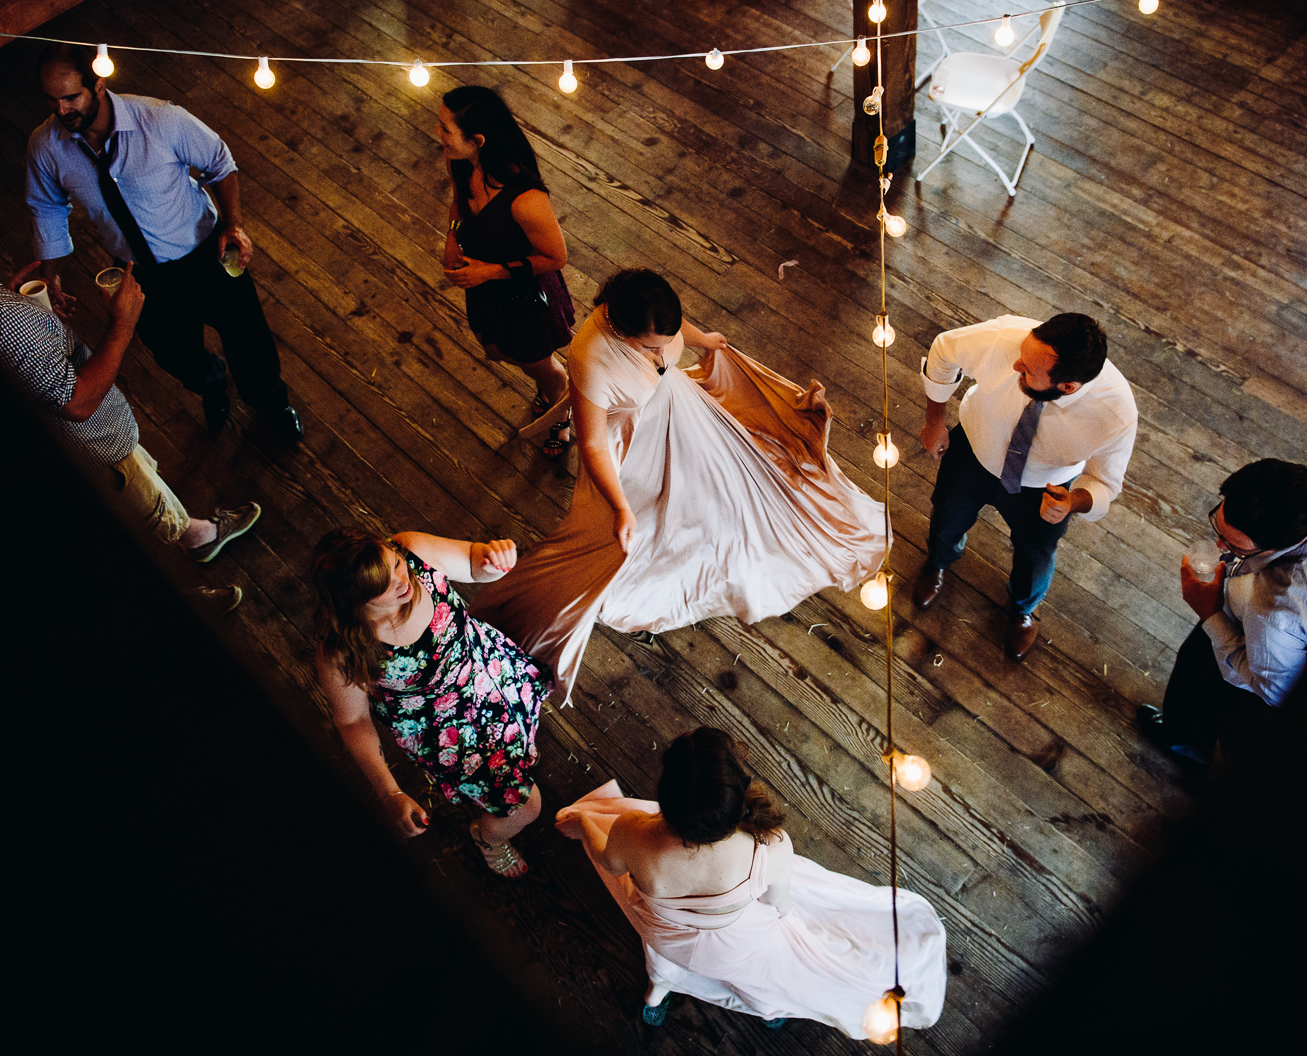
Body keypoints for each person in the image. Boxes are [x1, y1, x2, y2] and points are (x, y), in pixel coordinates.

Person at [470, 269, 885, 702]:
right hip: (639, 442)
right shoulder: (590, 357)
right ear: (620, 329)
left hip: (683, 411)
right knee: (647, 529)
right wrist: (619, 506)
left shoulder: (647, 305)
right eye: (649, 347)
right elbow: (592, 442)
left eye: (662, 342)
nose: (659, 354)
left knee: (721, 486)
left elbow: (672, 328)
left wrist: (704, 339)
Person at [0, 180, 260, 599]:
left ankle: (200, 537)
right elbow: (78, 402)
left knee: (150, 496)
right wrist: (123, 322)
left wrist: (21, 312)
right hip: (94, 448)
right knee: (142, 524)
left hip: (59, 452)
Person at [556, 727, 949, 1037]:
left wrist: (585, 822)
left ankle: (659, 986)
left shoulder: (632, 833)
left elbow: (609, 861)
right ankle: (769, 1010)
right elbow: (779, 905)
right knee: (762, 966)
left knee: (660, 942)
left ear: (667, 796)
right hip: (736, 949)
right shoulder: (770, 847)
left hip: (665, 935)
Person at [23, 43, 302, 443]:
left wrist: (234, 225)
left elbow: (220, 162)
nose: (61, 110)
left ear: (99, 85)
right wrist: (51, 276)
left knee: (249, 341)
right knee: (174, 354)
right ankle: (211, 383)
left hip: (204, 251)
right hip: (136, 273)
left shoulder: (160, 118)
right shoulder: (45, 146)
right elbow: (46, 206)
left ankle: (270, 403)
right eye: (51, 100)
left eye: (71, 97)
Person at [310, 527, 549, 877]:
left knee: (523, 731)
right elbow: (352, 721)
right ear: (355, 605)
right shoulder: (341, 650)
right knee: (528, 808)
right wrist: (389, 793)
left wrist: (494, 559)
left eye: (394, 564)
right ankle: (488, 839)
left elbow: (473, 562)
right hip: (447, 729)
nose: (401, 580)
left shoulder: (414, 551)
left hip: (489, 671)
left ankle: (519, 753)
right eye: (384, 588)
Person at [1138, 460, 1307, 765]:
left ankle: (1187, 750)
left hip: (1257, 661)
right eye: (1218, 524)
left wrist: (1210, 614)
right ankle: (1183, 739)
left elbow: (1274, 690)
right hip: (1268, 625)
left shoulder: (1274, 613)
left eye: (1235, 547)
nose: (1219, 546)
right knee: (1193, 664)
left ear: (1276, 547)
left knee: (1216, 699)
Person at [914, 312, 1138, 660]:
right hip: (973, 452)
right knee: (946, 515)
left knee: (1036, 556)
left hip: (1045, 487)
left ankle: (1023, 607)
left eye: (1029, 369)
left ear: (1067, 387)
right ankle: (938, 561)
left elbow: (1106, 483)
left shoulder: (1116, 413)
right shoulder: (1004, 335)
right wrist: (934, 421)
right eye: (1022, 353)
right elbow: (944, 350)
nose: (1016, 363)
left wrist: (1073, 501)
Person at [437, 85, 576, 456]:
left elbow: (556, 258)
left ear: (478, 139)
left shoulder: (526, 199)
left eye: (445, 129)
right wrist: (453, 235)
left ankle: (560, 410)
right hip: (486, 290)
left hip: (524, 297)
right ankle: (546, 385)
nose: (439, 136)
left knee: (540, 365)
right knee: (502, 352)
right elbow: (457, 205)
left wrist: (490, 272)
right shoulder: (461, 161)